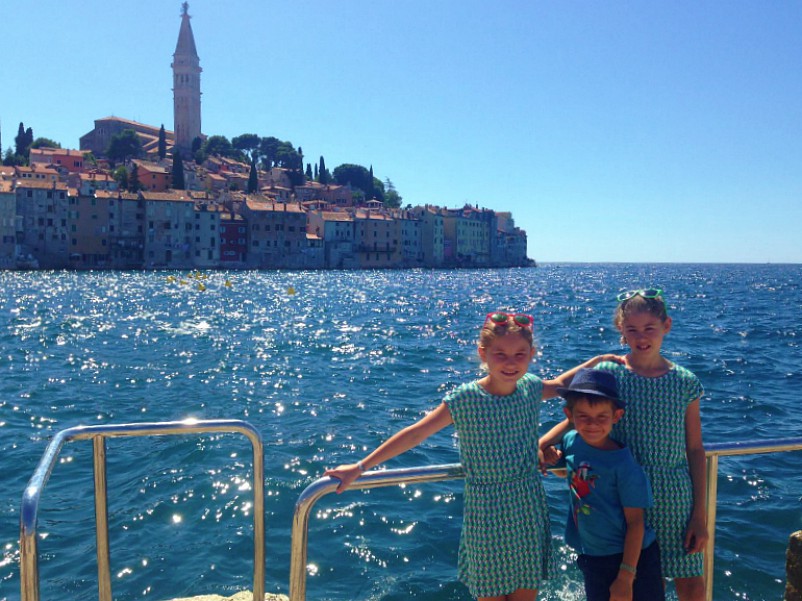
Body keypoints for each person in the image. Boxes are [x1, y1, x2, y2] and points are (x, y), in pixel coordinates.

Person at [325, 312, 620, 601]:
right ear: (483, 353)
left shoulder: (530, 387)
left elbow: (566, 386)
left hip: (528, 505)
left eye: (519, 354)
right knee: (490, 593)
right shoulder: (465, 399)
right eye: (500, 354)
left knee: (525, 593)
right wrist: (360, 467)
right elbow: (416, 433)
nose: (510, 362)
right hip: (486, 512)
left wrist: (595, 363)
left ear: (531, 354)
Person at [541, 288, 707, 601]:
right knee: (640, 582)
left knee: (691, 583)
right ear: (621, 330)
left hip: (673, 496)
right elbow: (579, 417)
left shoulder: (685, 381)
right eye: (631, 329)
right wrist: (546, 444)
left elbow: (695, 449)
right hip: (618, 496)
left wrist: (699, 515)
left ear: (666, 326)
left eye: (649, 329)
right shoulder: (609, 372)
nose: (641, 337)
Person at [549, 368, 664, 601]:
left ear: (617, 416)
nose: (592, 424)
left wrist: (626, 577)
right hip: (593, 556)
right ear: (569, 415)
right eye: (584, 416)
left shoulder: (623, 464)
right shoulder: (571, 441)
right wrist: (549, 454)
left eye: (602, 417)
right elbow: (570, 472)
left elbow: (636, 523)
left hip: (632, 560)